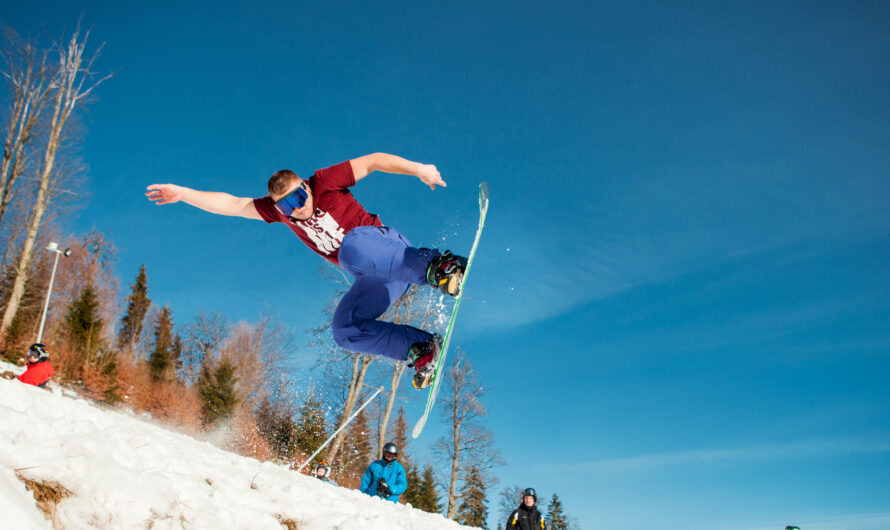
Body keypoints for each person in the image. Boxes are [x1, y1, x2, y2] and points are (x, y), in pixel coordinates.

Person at [146, 153, 466, 389]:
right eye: (286, 206)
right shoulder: (282, 214)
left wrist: (419, 169)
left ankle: (439, 266)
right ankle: (422, 347)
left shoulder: (325, 182)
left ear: (305, 186)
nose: (296, 208)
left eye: (299, 197)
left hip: (388, 249)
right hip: (378, 281)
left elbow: (374, 161)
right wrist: (183, 193)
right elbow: (231, 204)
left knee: (351, 248)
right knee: (344, 330)